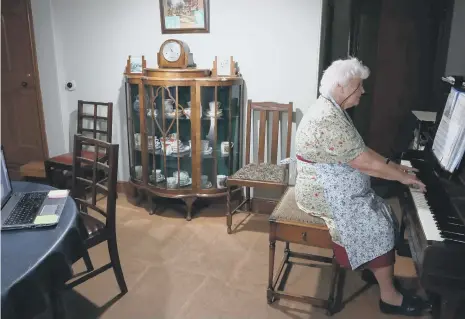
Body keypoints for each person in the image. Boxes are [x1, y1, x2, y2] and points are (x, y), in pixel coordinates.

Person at [294, 57, 429, 316]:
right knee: (374, 222)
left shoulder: (332, 110)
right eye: (359, 86)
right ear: (341, 87)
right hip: (320, 192)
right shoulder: (327, 118)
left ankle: (374, 267)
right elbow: (364, 162)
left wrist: (393, 165)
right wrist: (402, 178)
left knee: (379, 209)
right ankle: (389, 297)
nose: (363, 91)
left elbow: (360, 150)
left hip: (331, 185)